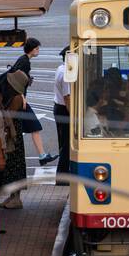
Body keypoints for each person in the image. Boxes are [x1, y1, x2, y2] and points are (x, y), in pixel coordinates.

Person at [0, 72, 32, 208]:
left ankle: (16, 198)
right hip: (12, 134)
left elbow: (8, 116)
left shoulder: (16, 97)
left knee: (14, 166)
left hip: (13, 136)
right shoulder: (13, 95)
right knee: (11, 166)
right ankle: (12, 197)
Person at [53, 48, 72, 176]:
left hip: (58, 107)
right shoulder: (66, 73)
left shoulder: (60, 68)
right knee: (66, 144)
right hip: (64, 110)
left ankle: (63, 173)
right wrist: (74, 116)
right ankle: (62, 175)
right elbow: (68, 97)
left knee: (63, 142)